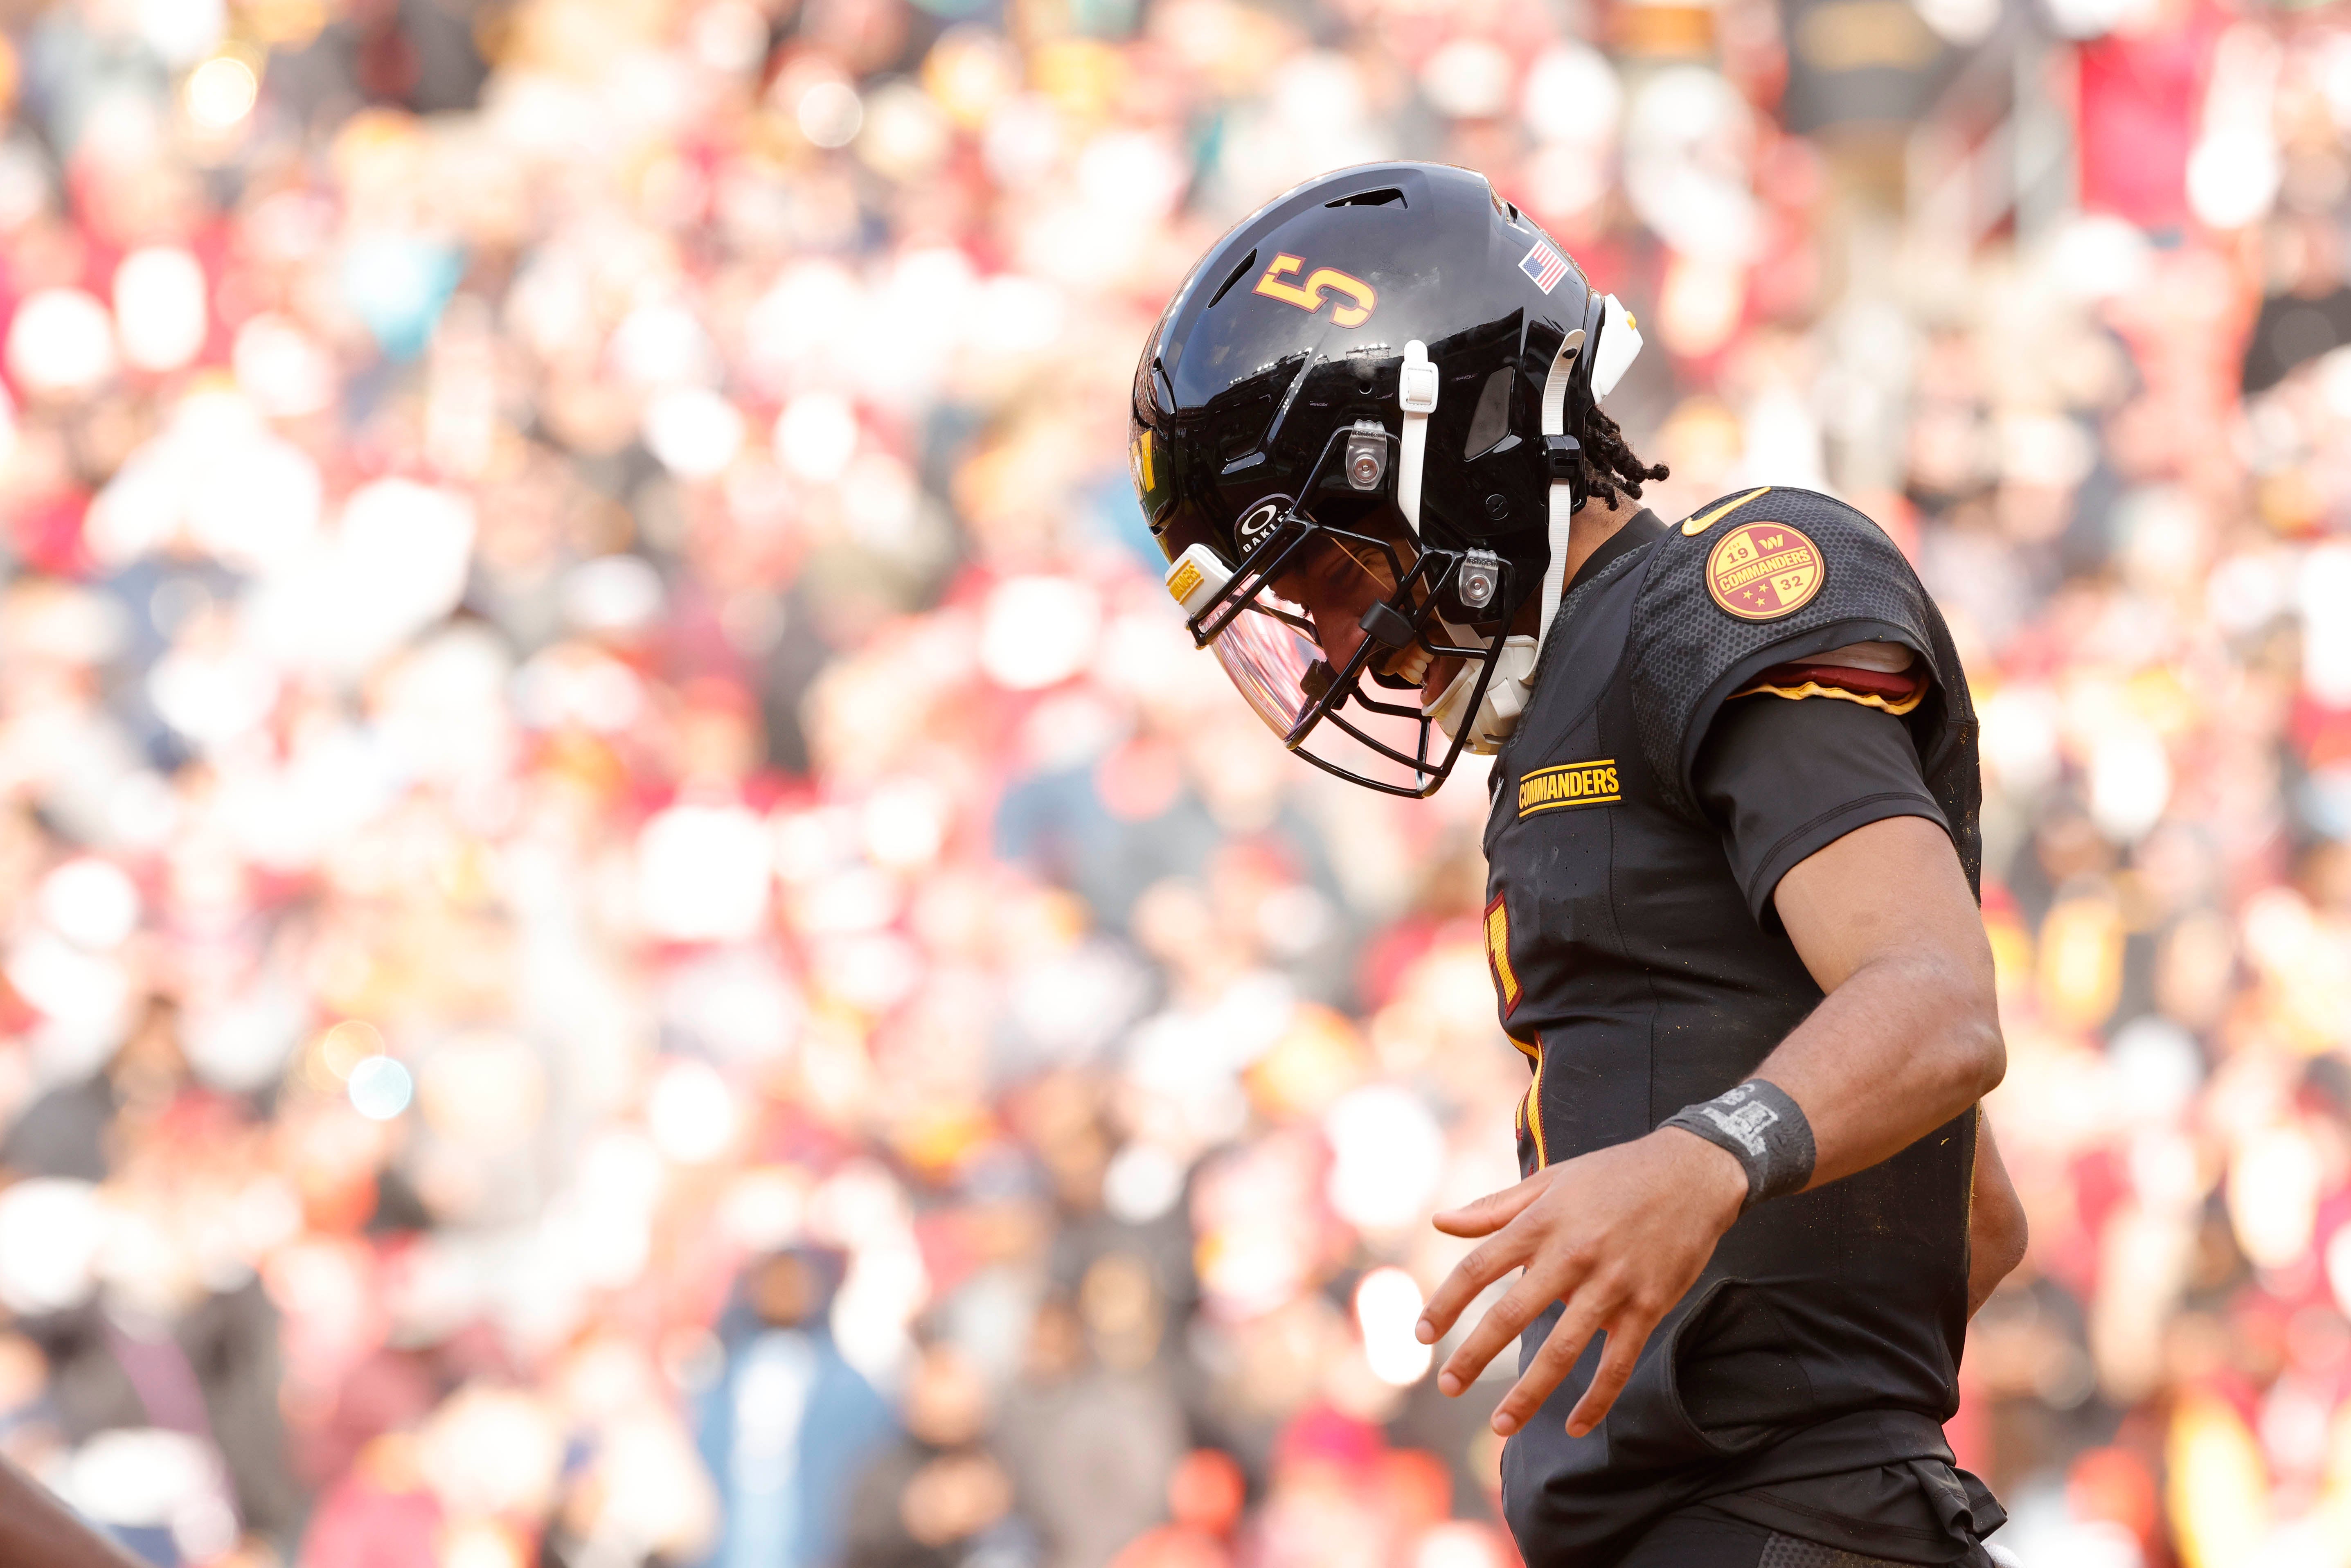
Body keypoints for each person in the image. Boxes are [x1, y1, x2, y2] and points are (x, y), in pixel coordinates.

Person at [1129, 161, 2030, 1567]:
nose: (1336, 646)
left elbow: (1935, 1001)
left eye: (1336, 579)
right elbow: (1974, 1210)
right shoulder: (1569, 711)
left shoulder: (1721, 595)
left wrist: (1705, 1174)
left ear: (1450, 459)